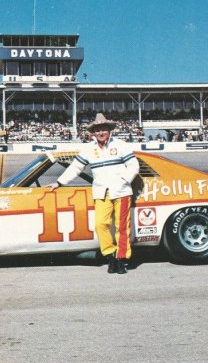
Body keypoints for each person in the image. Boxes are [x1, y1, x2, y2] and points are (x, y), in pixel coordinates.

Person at [49, 113, 140, 274]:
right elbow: (75, 168)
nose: (100, 133)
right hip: (101, 192)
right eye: (97, 130)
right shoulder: (88, 149)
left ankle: (121, 259)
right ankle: (110, 255)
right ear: (93, 133)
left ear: (109, 130)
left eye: (103, 129)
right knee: (100, 224)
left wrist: (124, 180)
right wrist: (59, 182)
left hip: (122, 191)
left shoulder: (121, 145)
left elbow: (134, 165)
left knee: (122, 227)